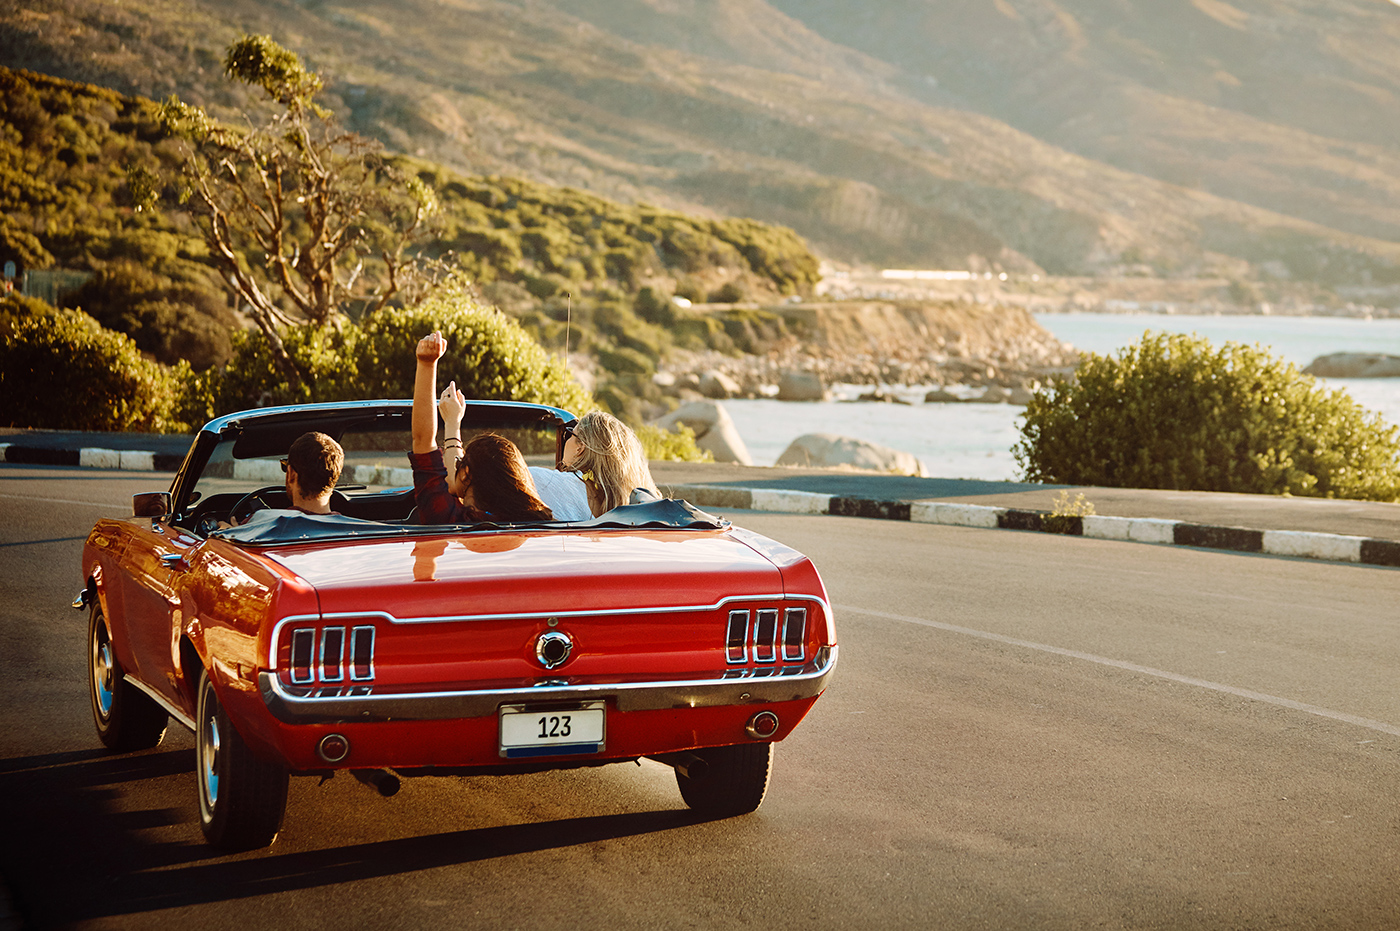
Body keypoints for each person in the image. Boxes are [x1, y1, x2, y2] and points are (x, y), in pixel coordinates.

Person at [411, 331, 554, 523]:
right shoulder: (541, 523)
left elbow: (422, 441)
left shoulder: (447, 517)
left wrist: (427, 363)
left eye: (460, 464)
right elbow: (457, 478)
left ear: (466, 473)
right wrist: (453, 424)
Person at [561, 410, 661, 517]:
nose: (566, 440)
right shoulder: (637, 502)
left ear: (580, 447)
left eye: (570, 435)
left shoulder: (564, 485)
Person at [240, 431, 344, 523]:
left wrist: (229, 532)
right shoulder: (354, 531)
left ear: (291, 474)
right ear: (334, 476)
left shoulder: (258, 525)